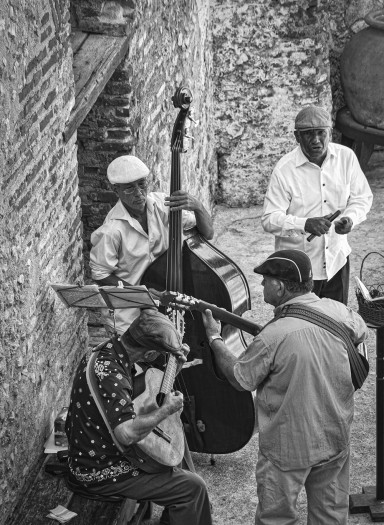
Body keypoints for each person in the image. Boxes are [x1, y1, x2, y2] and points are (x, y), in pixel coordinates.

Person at [201, 249, 368, 525]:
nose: (262, 285)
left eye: (265, 280)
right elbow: (360, 333)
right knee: (330, 518)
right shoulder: (339, 310)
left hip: (287, 449)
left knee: (275, 519)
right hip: (335, 436)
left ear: (279, 287)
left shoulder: (273, 336)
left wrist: (214, 337)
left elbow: (240, 378)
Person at [65, 308, 213, 525]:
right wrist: (165, 410)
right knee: (193, 488)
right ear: (149, 355)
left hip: (93, 448)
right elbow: (126, 434)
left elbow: (134, 399)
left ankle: (177, 517)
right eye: (158, 356)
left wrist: (175, 369)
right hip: (100, 469)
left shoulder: (108, 351)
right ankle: (185, 510)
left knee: (177, 448)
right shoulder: (112, 375)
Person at [90, 154, 214, 335]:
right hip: (129, 314)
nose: (139, 193)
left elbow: (208, 233)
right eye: (130, 188)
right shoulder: (111, 230)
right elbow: (100, 275)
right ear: (115, 189)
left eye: (141, 184)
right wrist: (142, 292)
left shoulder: (163, 205)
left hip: (165, 302)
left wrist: (198, 207)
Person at [261, 105, 373, 304]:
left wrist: (351, 219)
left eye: (321, 133)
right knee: (299, 326)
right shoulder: (284, 170)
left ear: (330, 133)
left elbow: (362, 198)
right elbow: (269, 219)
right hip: (298, 269)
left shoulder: (346, 158)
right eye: (308, 134)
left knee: (335, 323)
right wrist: (304, 224)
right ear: (297, 137)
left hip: (336, 260)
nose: (316, 140)